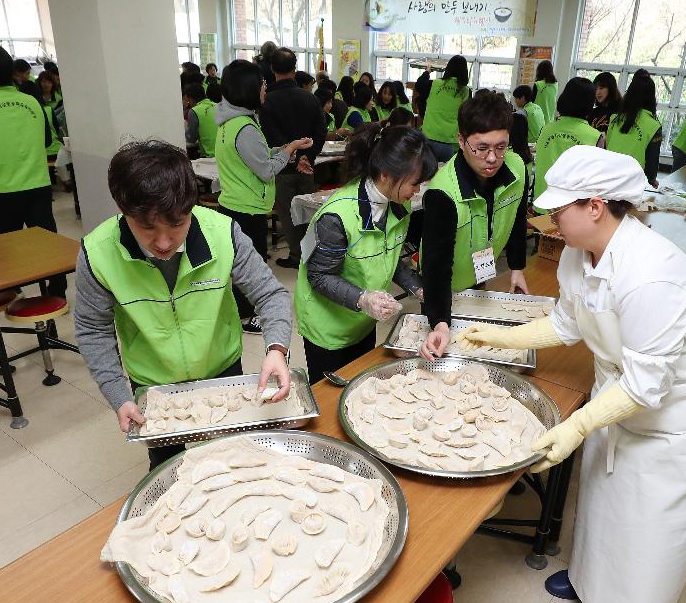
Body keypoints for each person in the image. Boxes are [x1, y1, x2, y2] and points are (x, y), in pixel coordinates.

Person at [457, 145, 686, 603]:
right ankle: (589, 585)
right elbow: (567, 322)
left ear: (595, 205)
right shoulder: (577, 254)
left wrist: (578, 424)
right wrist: (497, 336)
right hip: (620, 393)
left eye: (558, 208)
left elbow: (648, 384)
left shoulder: (651, 274)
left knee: (651, 526)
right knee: (605, 503)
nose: (548, 217)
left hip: (679, 417)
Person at [74, 140, 293, 469]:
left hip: (221, 368)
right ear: (124, 212)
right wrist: (118, 395)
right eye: (146, 227)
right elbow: (93, 330)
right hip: (153, 384)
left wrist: (276, 348)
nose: (163, 242)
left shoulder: (222, 233)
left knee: (233, 461)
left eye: (177, 224)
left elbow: (269, 293)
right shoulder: (98, 253)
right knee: (168, 468)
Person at [296, 123, 437, 383]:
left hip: (361, 321)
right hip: (329, 328)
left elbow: (387, 256)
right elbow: (319, 276)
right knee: (331, 394)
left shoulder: (398, 208)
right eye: (414, 184)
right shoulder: (336, 216)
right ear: (385, 175)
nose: (416, 191)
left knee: (361, 383)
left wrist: (418, 288)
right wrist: (364, 299)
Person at [418, 92, 531, 360]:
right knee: (446, 353)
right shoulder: (442, 192)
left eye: (501, 147)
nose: (492, 158)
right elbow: (436, 266)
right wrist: (440, 322)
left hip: (481, 276)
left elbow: (516, 217)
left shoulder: (516, 168)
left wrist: (517, 268)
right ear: (460, 140)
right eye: (481, 148)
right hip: (445, 285)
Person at [0, 43, 66, 299]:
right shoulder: (32, 101)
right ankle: (58, 288)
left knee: (7, 240)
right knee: (48, 239)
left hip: (2, 187)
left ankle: (13, 287)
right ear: (12, 71)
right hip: (38, 182)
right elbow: (45, 139)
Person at [215, 58, 312, 333]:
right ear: (249, 88)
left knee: (243, 262)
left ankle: (242, 310)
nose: (265, 87)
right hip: (247, 207)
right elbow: (266, 170)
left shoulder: (229, 121)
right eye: (262, 82)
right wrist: (290, 147)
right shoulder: (244, 127)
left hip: (234, 203)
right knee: (251, 264)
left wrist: (285, 152)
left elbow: (257, 156)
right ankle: (248, 316)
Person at [260, 48, 328, 269]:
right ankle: (311, 252)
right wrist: (307, 156)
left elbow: (271, 134)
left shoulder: (268, 100)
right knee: (308, 211)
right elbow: (321, 129)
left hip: (282, 167)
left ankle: (296, 255)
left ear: (272, 69)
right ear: (295, 68)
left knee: (288, 213)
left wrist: (294, 155)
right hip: (307, 167)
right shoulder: (309, 97)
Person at [533, 77, 602, 214]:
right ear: (590, 104)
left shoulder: (546, 130)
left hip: (543, 204)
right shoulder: (595, 136)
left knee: (542, 235)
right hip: (574, 211)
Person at [606, 73, 662, 187]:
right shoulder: (653, 125)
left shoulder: (615, 119)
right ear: (652, 97)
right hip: (631, 181)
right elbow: (652, 159)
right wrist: (652, 179)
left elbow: (608, 146)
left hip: (607, 175)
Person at [418, 55, 472, 161]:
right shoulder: (466, 91)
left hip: (429, 136)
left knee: (427, 174)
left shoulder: (435, 84)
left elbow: (419, 85)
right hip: (451, 141)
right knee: (446, 174)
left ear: (448, 68)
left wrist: (427, 72)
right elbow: (467, 116)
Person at [182, 82, 217, 158]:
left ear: (190, 98)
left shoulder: (194, 111)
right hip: (222, 153)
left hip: (208, 155)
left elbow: (192, 138)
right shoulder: (216, 106)